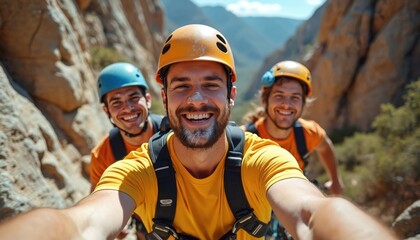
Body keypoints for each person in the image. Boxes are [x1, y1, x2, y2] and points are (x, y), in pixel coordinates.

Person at [0, 24, 397, 240]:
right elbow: (81, 223)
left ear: (231, 96)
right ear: (164, 96)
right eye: (181, 86)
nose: (196, 99)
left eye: (211, 84)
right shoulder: (129, 167)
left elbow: (313, 211)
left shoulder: (264, 158)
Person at [240, 60, 344, 239]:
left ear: (303, 104)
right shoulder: (243, 139)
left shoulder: (307, 133)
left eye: (295, 97)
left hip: (291, 200)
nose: (286, 104)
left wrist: (335, 180)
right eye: (279, 95)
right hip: (255, 207)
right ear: (266, 99)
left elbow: (325, 147)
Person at [91, 62, 163, 239]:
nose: (128, 108)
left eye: (133, 98)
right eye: (117, 102)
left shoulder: (175, 133)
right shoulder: (103, 155)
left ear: (147, 100)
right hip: (146, 229)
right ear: (106, 111)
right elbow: (97, 203)